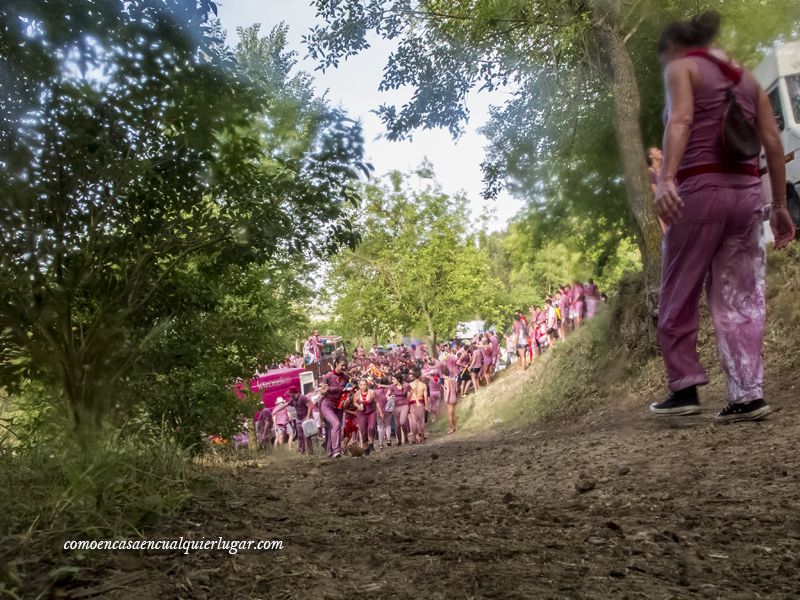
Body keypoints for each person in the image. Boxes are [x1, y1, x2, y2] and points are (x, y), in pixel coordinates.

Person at [650, 11, 794, 422]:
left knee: (679, 286)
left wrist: (667, 179)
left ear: (673, 49)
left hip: (699, 193)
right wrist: (779, 206)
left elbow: (681, 120)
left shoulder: (682, 67)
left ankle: (684, 389)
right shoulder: (747, 79)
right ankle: (747, 396)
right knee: (741, 297)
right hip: (747, 196)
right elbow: (770, 140)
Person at [321, 358, 349, 458]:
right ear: (336, 364)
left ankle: (329, 452)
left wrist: (345, 398)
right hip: (327, 404)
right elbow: (322, 392)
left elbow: (345, 393)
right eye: (342, 365)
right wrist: (327, 390)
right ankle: (337, 450)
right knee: (336, 424)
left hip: (339, 406)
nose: (344, 367)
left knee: (334, 428)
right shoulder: (328, 376)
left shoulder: (346, 377)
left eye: (345, 365)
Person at [354, 378, 377, 454]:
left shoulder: (372, 392)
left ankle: (371, 443)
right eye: (361, 385)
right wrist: (358, 406)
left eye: (364, 384)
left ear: (367, 385)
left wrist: (380, 412)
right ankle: (366, 448)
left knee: (372, 427)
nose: (363, 386)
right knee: (363, 431)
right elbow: (354, 402)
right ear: (359, 386)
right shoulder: (357, 393)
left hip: (371, 412)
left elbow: (377, 402)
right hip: (361, 413)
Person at [408, 369, 429, 444]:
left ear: (413, 376)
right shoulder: (423, 385)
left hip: (412, 404)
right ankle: (422, 437)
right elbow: (425, 397)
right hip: (421, 403)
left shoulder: (410, 384)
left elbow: (408, 396)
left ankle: (414, 439)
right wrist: (426, 406)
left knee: (414, 421)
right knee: (421, 421)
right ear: (420, 376)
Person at [442, 366, 458, 434]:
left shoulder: (446, 380)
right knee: (453, 413)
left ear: (444, 374)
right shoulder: (452, 379)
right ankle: (455, 427)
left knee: (449, 414)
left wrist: (446, 399)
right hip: (454, 397)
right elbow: (455, 389)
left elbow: (448, 389)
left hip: (450, 398)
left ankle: (451, 428)